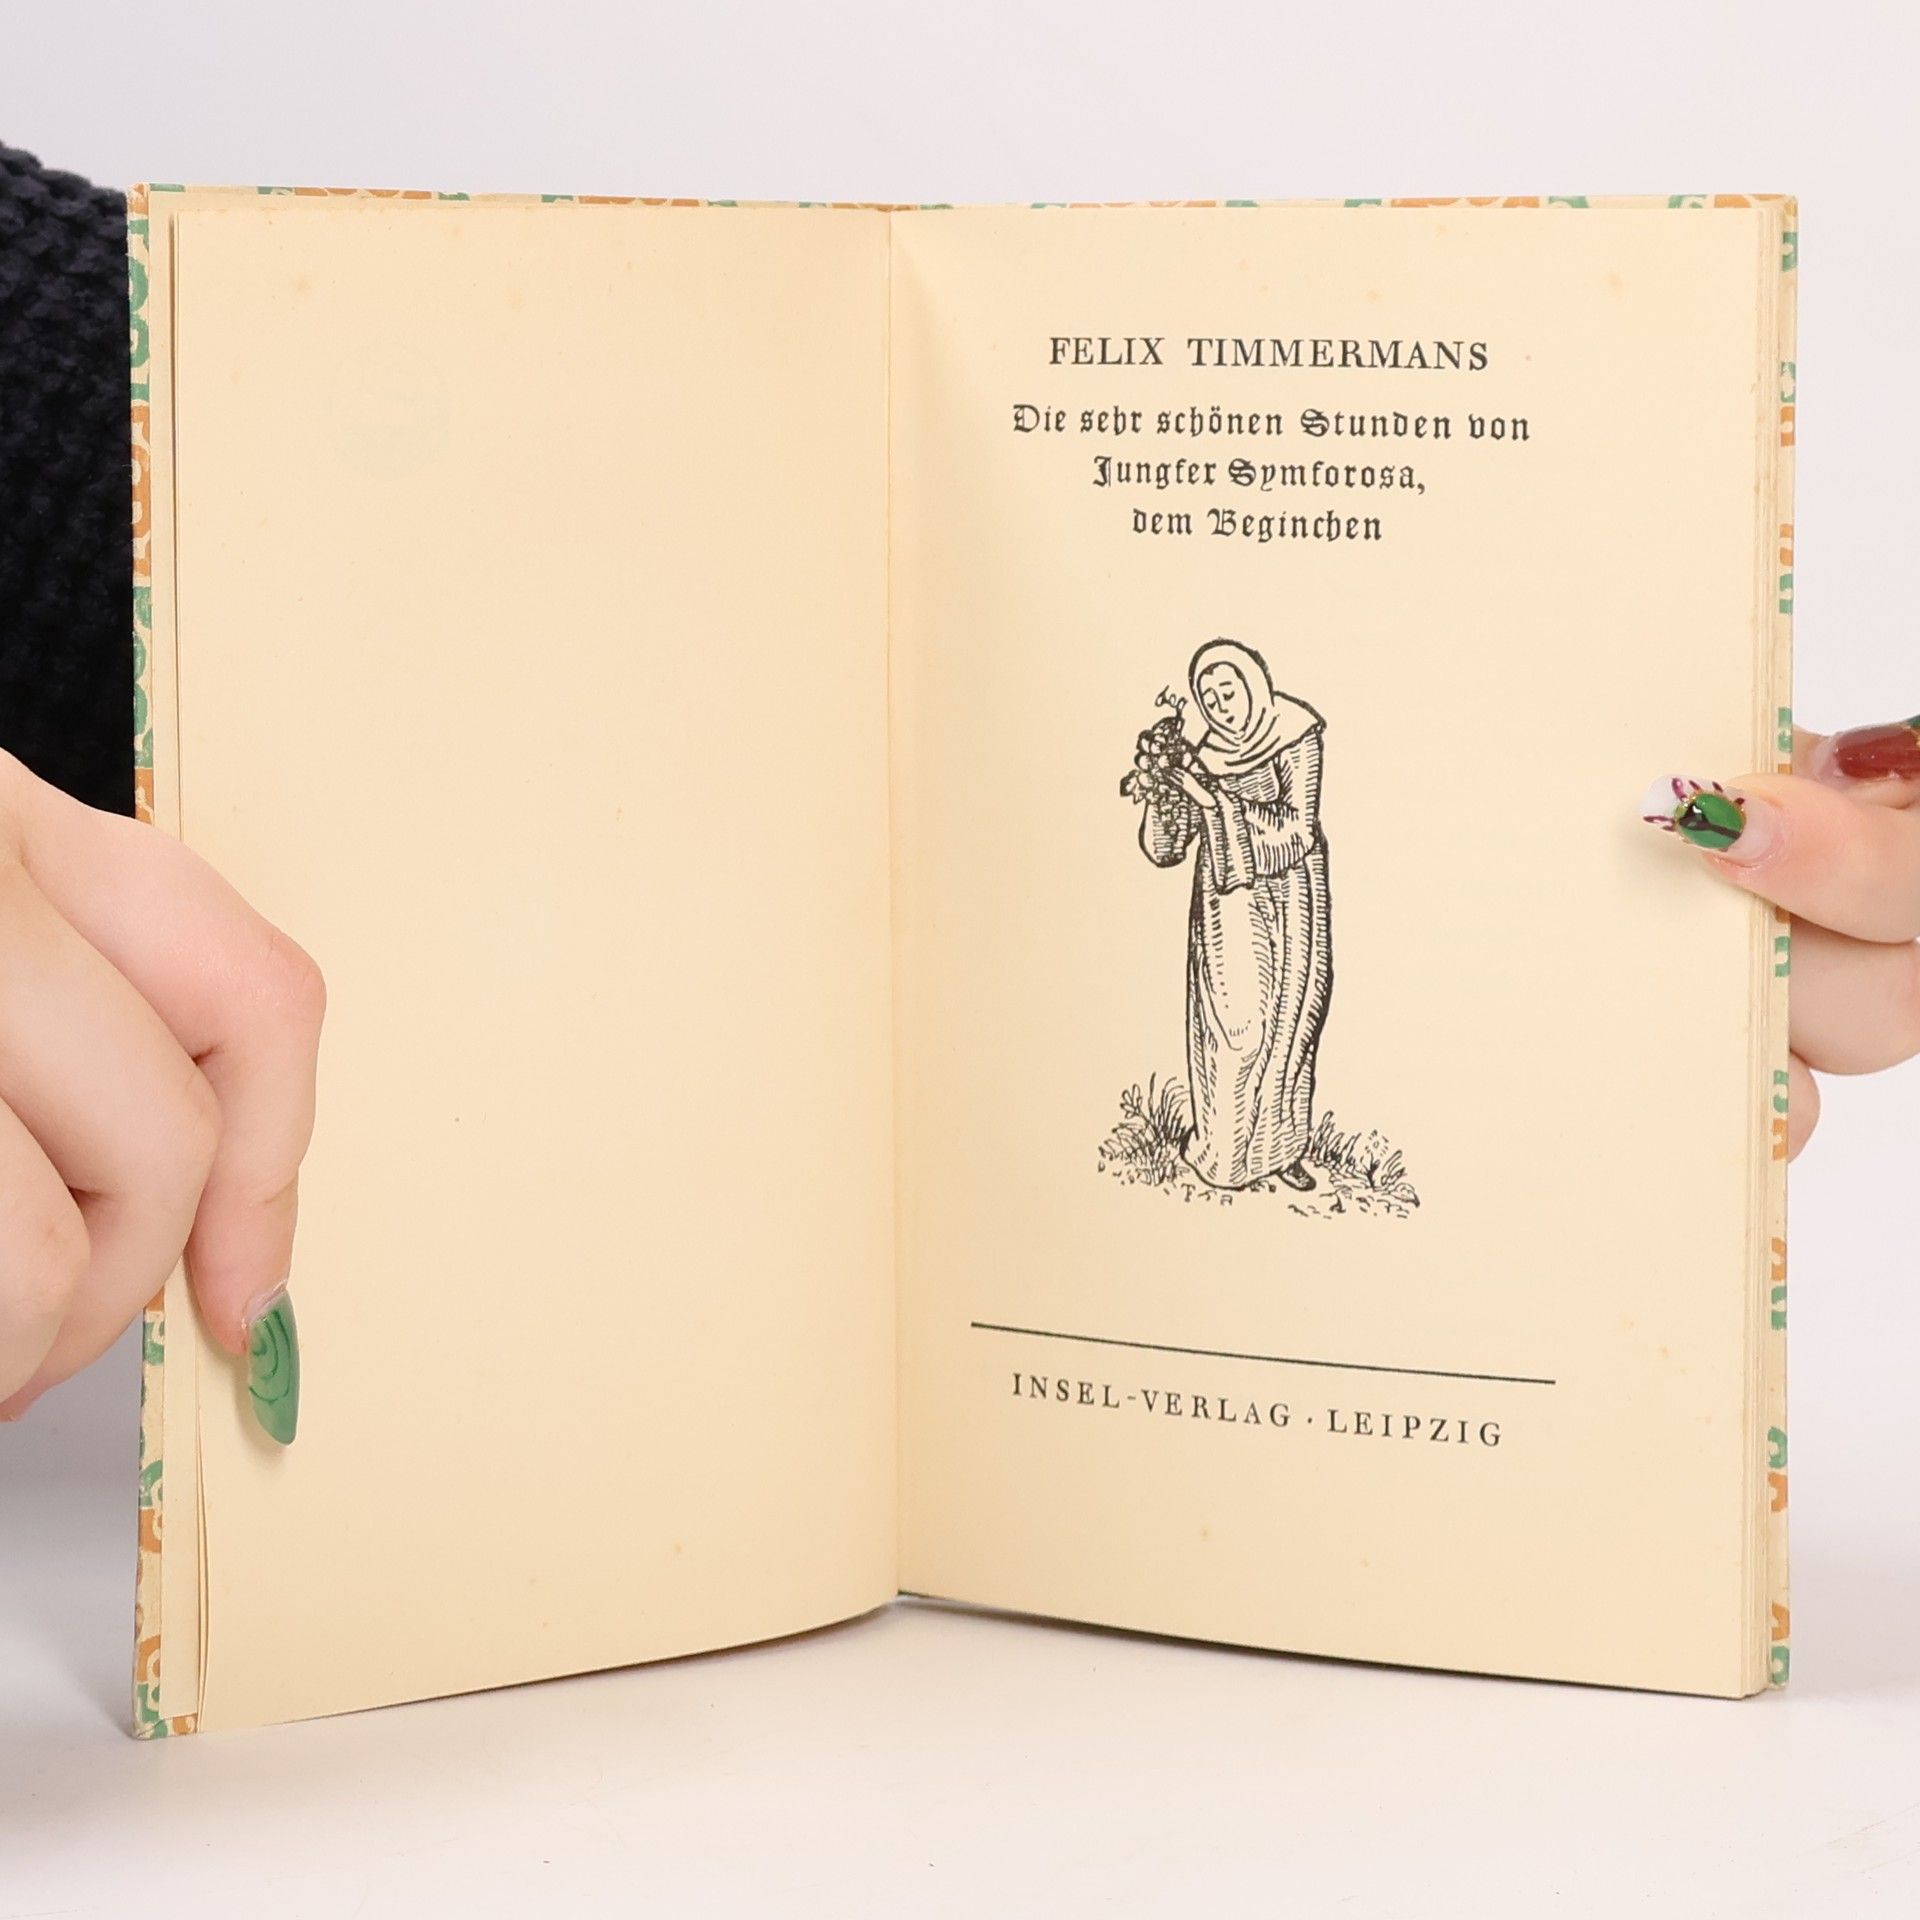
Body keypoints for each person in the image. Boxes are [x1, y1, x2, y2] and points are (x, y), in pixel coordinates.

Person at [2, 141, 1916, 1418]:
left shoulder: (1300, 738)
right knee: (1214, 1050)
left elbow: (1282, 815)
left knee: (1271, 1055)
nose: (1224, 693)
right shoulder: (1212, 739)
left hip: (1280, 907)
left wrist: (1550, 808)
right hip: (1209, 919)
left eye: (1234, 679)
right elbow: (1165, 826)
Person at [1137, 640, 1331, 1191]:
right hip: (1228, 910)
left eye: (1228, 691)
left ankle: (1282, 1149)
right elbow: (1166, 849)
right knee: (1236, 1029)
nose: (1221, 706)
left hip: (1291, 902)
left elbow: (1299, 829)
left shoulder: (1296, 733)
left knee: (1292, 1023)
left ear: (1253, 686)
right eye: (1208, 697)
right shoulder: (1202, 755)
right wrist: (1162, 793)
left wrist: (1213, 802)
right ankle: (1224, 1155)